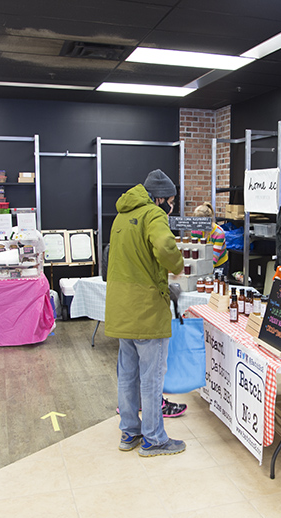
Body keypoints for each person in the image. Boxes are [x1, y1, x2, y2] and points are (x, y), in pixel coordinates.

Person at [104, 169, 187, 457]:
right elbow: (165, 245)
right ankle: (154, 439)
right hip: (146, 309)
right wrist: (177, 265)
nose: (171, 206)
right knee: (152, 378)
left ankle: (130, 432)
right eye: (171, 201)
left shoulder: (121, 215)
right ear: (161, 198)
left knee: (127, 375)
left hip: (120, 308)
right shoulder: (153, 214)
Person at [190, 202, 227, 268]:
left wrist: (207, 270)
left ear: (207, 220)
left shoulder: (219, 233)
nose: (197, 224)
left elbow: (215, 256)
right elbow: (195, 249)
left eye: (200, 222)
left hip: (219, 263)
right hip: (203, 260)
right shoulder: (195, 230)